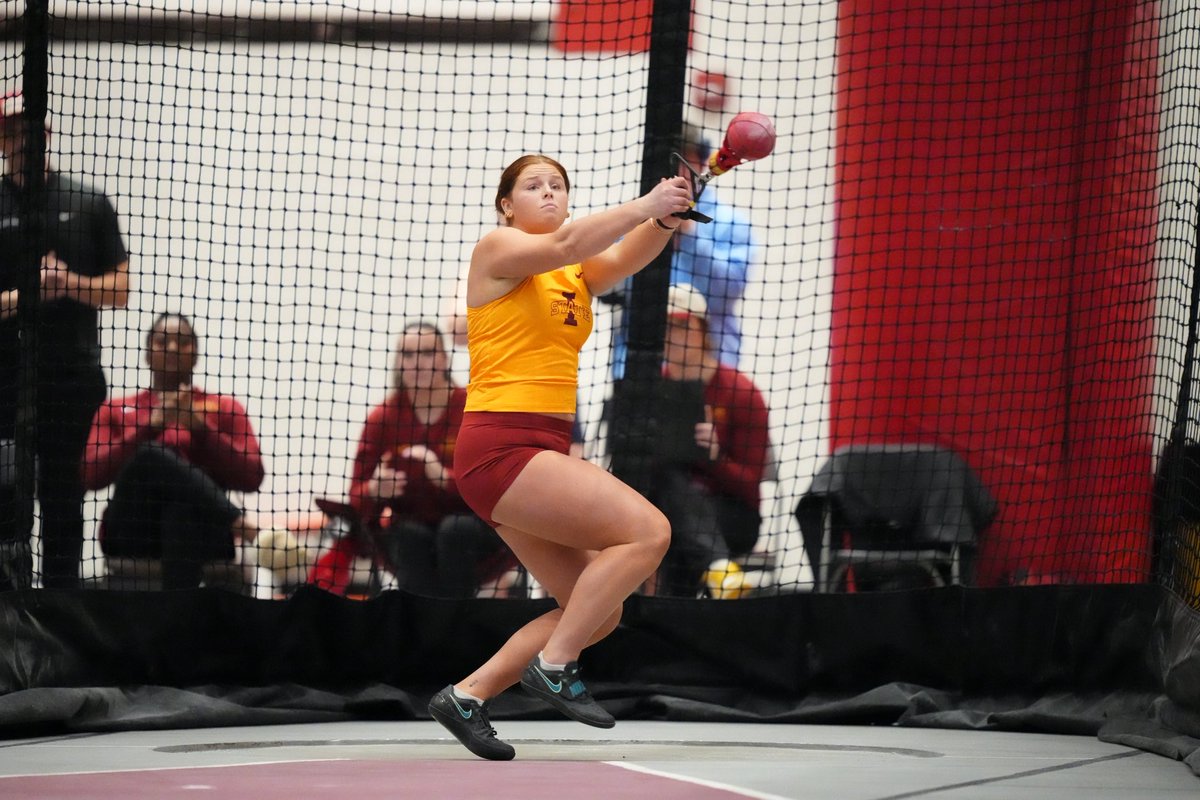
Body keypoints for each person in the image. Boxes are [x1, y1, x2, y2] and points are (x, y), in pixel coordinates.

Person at [426, 154, 692, 760]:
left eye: (558, 186)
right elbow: (573, 237)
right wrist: (647, 203)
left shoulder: (573, 268)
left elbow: (623, 258)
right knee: (649, 532)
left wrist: (667, 218)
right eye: (533, 186)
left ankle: (467, 696)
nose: (549, 193)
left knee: (598, 613)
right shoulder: (498, 248)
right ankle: (553, 666)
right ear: (506, 205)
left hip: (529, 451)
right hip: (499, 446)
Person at [0, 90, 131, 589]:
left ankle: (61, 612)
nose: (22, 140)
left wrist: (68, 285)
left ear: (45, 134)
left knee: (63, 501)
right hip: (6, 380)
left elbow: (120, 289)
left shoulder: (88, 203)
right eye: (11, 131)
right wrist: (26, 295)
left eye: (29, 129)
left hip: (71, 381)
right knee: (8, 498)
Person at [81, 313, 264, 591]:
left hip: (204, 532)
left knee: (180, 510)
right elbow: (91, 475)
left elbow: (252, 476)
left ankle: (175, 620)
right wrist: (150, 427)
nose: (173, 348)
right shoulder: (115, 408)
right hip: (134, 529)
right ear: (146, 354)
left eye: (183, 341)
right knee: (149, 455)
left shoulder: (224, 408)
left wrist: (201, 429)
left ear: (196, 354)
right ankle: (242, 524)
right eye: (162, 340)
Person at [347, 321, 511, 598]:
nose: (417, 363)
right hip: (410, 530)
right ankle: (420, 632)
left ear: (444, 358)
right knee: (409, 536)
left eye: (426, 353)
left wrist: (444, 479)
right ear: (398, 362)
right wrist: (375, 490)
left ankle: (456, 627)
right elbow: (356, 495)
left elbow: (497, 485)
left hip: (474, 530)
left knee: (454, 530)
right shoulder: (382, 418)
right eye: (408, 355)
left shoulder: (473, 408)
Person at [608, 121, 758, 379]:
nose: (670, 173)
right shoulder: (633, 217)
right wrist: (648, 228)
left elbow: (727, 293)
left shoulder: (731, 223)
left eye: (679, 163)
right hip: (636, 372)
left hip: (712, 376)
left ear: (699, 165)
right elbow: (609, 286)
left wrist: (688, 233)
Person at [649, 284, 770, 597]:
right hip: (665, 510)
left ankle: (666, 627)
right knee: (667, 484)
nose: (669, 334)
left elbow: (749, 486)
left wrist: (714, 458)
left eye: (680, 325)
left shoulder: (742, 393)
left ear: (702, 331)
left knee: (671, 532)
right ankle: (719, 572)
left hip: (731, 515)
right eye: (664, 326)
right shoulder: (650, 389)